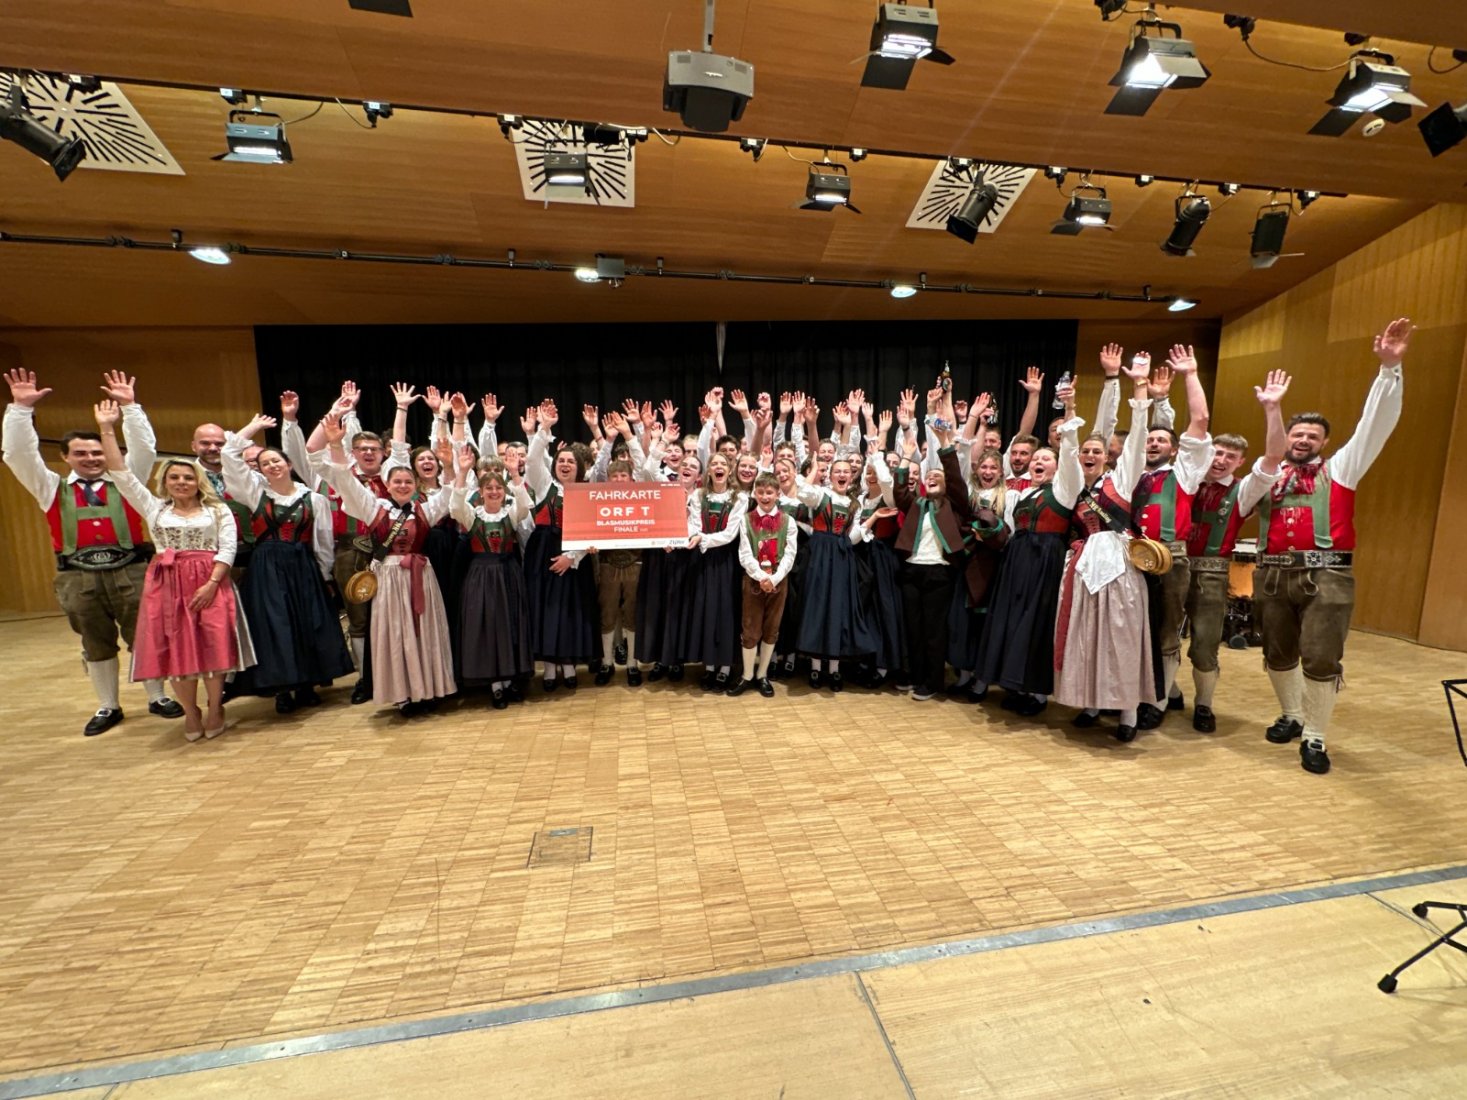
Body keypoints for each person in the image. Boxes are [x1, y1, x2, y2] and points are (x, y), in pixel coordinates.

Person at [1239, 318, 1411, 774]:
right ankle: (1292, 714)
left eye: (1312, 436)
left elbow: (1375, 426)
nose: (1303, 440)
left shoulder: (1342, 469)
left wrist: (1389, 370)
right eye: (1297, 434)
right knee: (1276, 653)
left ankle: (1314, 736)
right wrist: (1271, 419)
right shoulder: (1266, 475)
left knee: (1320, 657)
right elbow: (1241, 504)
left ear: (1325, 443)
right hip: (1271, 575)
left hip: (1327, 575)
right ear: (1286, 438)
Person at [2, 368, 184, 735]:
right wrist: (20, 410)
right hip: (77, 576)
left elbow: (144, 450)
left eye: (97, 452)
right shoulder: (50, 488)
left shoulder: (127, 482)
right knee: (94, 642)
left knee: (146, 635)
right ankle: (108, 705)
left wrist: (130, 408)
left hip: (131, 570)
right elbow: (18, 453)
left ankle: (157, 696)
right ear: (66, 457)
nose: (91, 458)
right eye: (81, 453)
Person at [93, 400, 255, 740]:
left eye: (188, 477)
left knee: (214, 644)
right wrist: (107, 428)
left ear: (198, 481)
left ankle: (215, 707)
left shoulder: (218, 510)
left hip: (210, 580)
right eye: (175, 477)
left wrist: (212, 583)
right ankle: (191, 711)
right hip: (168, 583)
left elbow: (227, 548)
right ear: (165, 482)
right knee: (178, 649)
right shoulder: (155, 508)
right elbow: (121, 474)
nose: (182, 482)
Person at [321, 412, 457, 714]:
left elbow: (449, 493)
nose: (403, 485)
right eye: (398, 481)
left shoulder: (424, 510)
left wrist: (448, 466)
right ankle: (403, 695)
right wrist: (336, 447)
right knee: (396, 634)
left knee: (423, 632)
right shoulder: (375, 508)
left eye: (408, 481)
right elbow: (346, 483)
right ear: (388, 484)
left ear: (415, 484)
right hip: (389, 578)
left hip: (421, 576)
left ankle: (428, 689)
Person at [223, 414, 354, 713]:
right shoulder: (255, 493)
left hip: (302, 565)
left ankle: (306, 685)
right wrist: (253, 428)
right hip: (267, 567)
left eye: (276, 461)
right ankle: (282, 687)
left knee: (306, 622)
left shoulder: (314, 499)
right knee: (275, 625)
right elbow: (229, 455)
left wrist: (324, 575)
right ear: (259, 470)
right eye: (265, 463)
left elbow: (322, 541)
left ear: (289, 465)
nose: (272, 465)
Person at [1053, 360, 1154, 741]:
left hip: (1120, 568)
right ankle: (1091, 703)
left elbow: (1138, 440)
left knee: (1120, 638)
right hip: (1083, 570)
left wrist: (1139, 389)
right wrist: (1070, 410)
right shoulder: (1072, 488)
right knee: (1086, 637)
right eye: (1086, 450)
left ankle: (1128, 713)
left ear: (1107, 456)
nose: (1090, 454)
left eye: (1097, 450)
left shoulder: (1121, 482)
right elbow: (1067, 446)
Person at [972, 401, 1085, 716]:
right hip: (1017, 558)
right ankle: (1016, 684)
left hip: (1045, 559)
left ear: (1056, 467)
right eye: (1035, 459)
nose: (1038, 462)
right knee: (1014, 620)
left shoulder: (1063, 491)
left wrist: (1070, 422)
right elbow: (1008, 528)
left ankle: (1036, 693)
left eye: (1045, 458)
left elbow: (1070, 459)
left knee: (1038, 621)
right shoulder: (1019, 494)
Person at [1129, 346, 1215, 729]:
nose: (1153, 444)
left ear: (1175, 449)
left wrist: (1190, 375)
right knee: (1137, 631)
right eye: (1150, 440)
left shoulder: (1184, 473)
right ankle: (1169, 690)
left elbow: (1200, 420)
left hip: (1170, 560)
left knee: (1166, 632)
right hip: (1134, 559)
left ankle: (1158, 702)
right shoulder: (1132, 474)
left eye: (1161, 440)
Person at [1182, 419, 1275, 732]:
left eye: (1230, 457)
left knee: (1205, 645)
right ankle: (1164, 698)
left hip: (1212, 575)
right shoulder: (1187, 482)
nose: (1220, 460)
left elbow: (1267, 469)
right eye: (1217, 453)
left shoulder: (1242, 491)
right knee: (1163, 639)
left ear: (1240, 462)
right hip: (1173, 567)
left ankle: (1204, 705)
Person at [891, 409, 975, 702]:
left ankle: (933, 680)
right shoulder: (916, 503)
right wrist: (906, 456)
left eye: (938, 475)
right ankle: (916, 676)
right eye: (930, 476)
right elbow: (899, 490)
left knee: (933, 629)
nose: (933, 477)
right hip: (912, 570)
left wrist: (945, 443)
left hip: (939, 573)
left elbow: (955, 478)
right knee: (913, 628)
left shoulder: (953, 504)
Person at [450, 447, 533, 708]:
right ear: (481, 491)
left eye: (498, 488)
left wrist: (514, 474)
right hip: (482, 576)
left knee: (509, 625)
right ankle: (496, 685)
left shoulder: (510, 513)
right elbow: (455, 506)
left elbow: (525, 504)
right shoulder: (472, 515)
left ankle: (509, 681)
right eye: (489, 488)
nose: (494, 491)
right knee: (488, 626)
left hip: (508, 574)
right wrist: (463, 472)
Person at [524, 400, 598, 689]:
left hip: (574, 555)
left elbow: (591, 532)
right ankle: (549, 667)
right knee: (546, 609)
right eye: (561, 461)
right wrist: (543, 429)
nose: (565, 464)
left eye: (570, 461)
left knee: (570, 610)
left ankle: (568, 665)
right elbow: (533, 460)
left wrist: (572, 556)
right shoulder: (545, 485)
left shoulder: (586, 492)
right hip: (542, 551)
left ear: (579, 467)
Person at [681, 452, 749, 692]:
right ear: (708, 470)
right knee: (706, 611)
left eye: (723, 464)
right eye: (714, 464)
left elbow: (730, 533)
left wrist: (703, 539)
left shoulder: (739, 498)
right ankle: (709, 666)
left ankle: (725, 668)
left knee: (726, 613)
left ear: (729, 470)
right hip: (703, 561)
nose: (718, 467)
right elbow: (693, 525)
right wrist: (696, 536)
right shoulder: (699, 496)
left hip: (726, 561)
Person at [729, 472, 798, 697]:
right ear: (754, 494)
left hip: (779, 581)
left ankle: (762, 674)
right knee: (750, 628)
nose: (765, 496)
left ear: (778, 494)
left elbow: (790, 554)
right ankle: (747, 675)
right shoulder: (745, 520)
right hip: (753, 581)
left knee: (772, 629)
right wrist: (761, 577)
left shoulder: (788, 521)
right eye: (760, 492)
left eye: (769, 492)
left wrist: (774, 579)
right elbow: (744, 554)